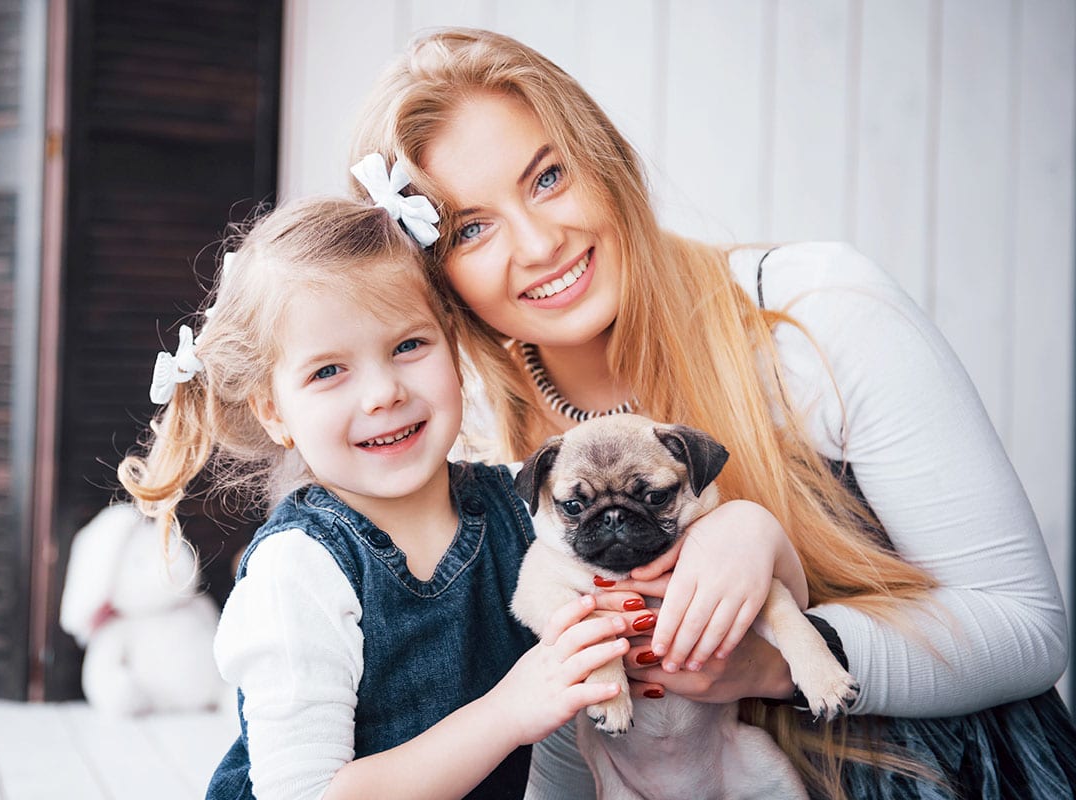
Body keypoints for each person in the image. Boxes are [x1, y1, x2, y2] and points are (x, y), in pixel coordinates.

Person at [349, 27, 1076, 800]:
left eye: (548, 177)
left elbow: (1028, 629)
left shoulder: (814, 315)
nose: (538, 243)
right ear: (437, 278)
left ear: (606, 157)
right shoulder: (478, 448)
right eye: (471, 227)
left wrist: (773, 659)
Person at [117, 186, 646, 800]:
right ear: (274, 412)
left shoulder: (529, 504)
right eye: (328, 371)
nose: (382, 393)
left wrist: (734, 536)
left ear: (453, 346)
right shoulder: (298, 572)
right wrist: (508, 712)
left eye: (408, 346)